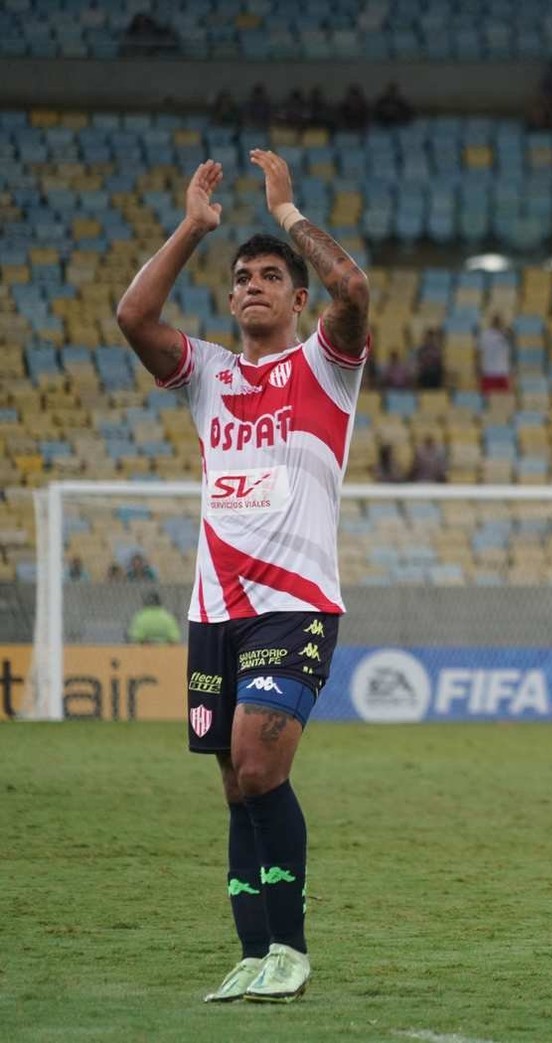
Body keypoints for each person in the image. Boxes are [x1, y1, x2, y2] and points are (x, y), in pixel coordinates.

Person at [115, 149, 369, 1003]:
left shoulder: (327, 366)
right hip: (213, 609)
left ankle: (291, 949)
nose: (254, 285)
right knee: (234, 776)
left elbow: (356, 290)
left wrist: (289, 211)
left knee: (258, 764)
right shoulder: (210, 375)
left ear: (298, 299)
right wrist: (194, 225)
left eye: (271, 276)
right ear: (228, 299)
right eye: (243, 277)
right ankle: (255, 952)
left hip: (293, 603)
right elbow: (132, 314)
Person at [477, 314, 512, 394]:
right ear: (492, 322)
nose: (497, 323)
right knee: (487, 399)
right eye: (496, 320)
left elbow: (509, 354)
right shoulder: (485, 335)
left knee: (504, 400)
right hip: (489, 372)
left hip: (502, 372)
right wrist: (479, 368)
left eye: (499, 321)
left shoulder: (505, 334)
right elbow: (479, 353)